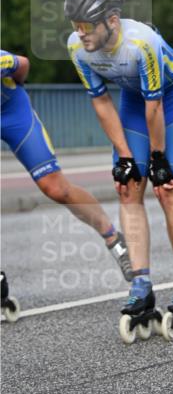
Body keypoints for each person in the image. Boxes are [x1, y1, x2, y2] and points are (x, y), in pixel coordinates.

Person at [64, 0, 173, 337]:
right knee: (127, 185)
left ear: (111, 20)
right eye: (76, 26)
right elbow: (101, 102)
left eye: (87, 26)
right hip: (132, 102)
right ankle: (141, 284)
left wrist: (158, 159)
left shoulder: (142, 42)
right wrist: (125, 156)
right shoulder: (77, 48)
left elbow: (155, 106)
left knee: (166, 187)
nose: (81, 34)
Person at [0, 49, 132, 285]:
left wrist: (12, 74)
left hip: (13, 114)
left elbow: (23, 67)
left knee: (56, 188)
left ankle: (113, 237)